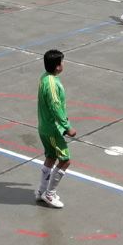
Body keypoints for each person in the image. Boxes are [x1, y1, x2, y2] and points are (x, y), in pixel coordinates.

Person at [36, 49, 76, 209]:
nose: (63, 64)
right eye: (62, 62)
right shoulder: (52, 83)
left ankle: (41, 191)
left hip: (44, 126)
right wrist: (67, 127)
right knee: (65, 160)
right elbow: (55, 106)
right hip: (53, 129)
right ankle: (49, 194)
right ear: (58, 66)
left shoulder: (44, 77)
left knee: (51, 157)